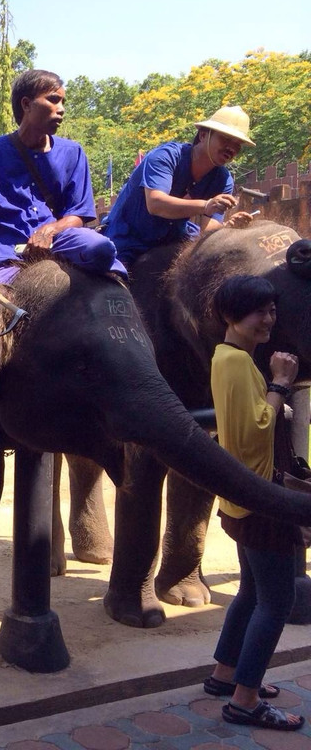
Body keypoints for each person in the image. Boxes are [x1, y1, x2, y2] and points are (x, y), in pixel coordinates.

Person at [0, 68, 125, 449]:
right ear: (27, 104)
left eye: (63, 101)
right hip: (3, 254)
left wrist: (52, 230)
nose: (61, 109)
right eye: (54, 100)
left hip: (57, 240)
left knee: (102, 249)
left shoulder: (72, 153)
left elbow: (79, 213)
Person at [204, 274, 304, 731]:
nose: (268, 319)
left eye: (272, 310)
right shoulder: (239, 364)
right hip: (263, 499)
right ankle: (245, 700)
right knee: (277, 599)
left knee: (250, 591)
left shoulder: (229, 358)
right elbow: (253, 431)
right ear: (230, 316)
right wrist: (281, 384)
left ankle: (226, 674)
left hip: (241, 497)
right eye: (258, 311)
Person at [104, 106, 256, 269]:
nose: (232, 149)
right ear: (204, 135)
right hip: (127, 240)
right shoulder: (165, 157)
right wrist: (205, 205)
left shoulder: (223, 179)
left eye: (238, 144)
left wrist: (227, 227)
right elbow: (156, 204)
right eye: (226, 139)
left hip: (173, 242)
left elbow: (207, 228)